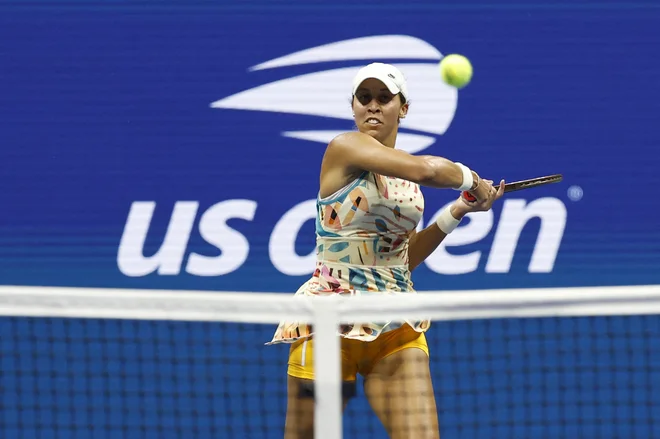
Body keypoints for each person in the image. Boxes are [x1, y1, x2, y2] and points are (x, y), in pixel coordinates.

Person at [266, 62, 505, 439]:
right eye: (364, 98)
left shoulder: (406, 184)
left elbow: (401, 260)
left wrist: (459, 210)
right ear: (354, 107)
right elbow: (428, 170)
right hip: (330, 321)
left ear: (403, 108)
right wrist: (473, 180)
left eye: (383, 98)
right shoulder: (345, 148)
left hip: (395, 322)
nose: (372, 106)